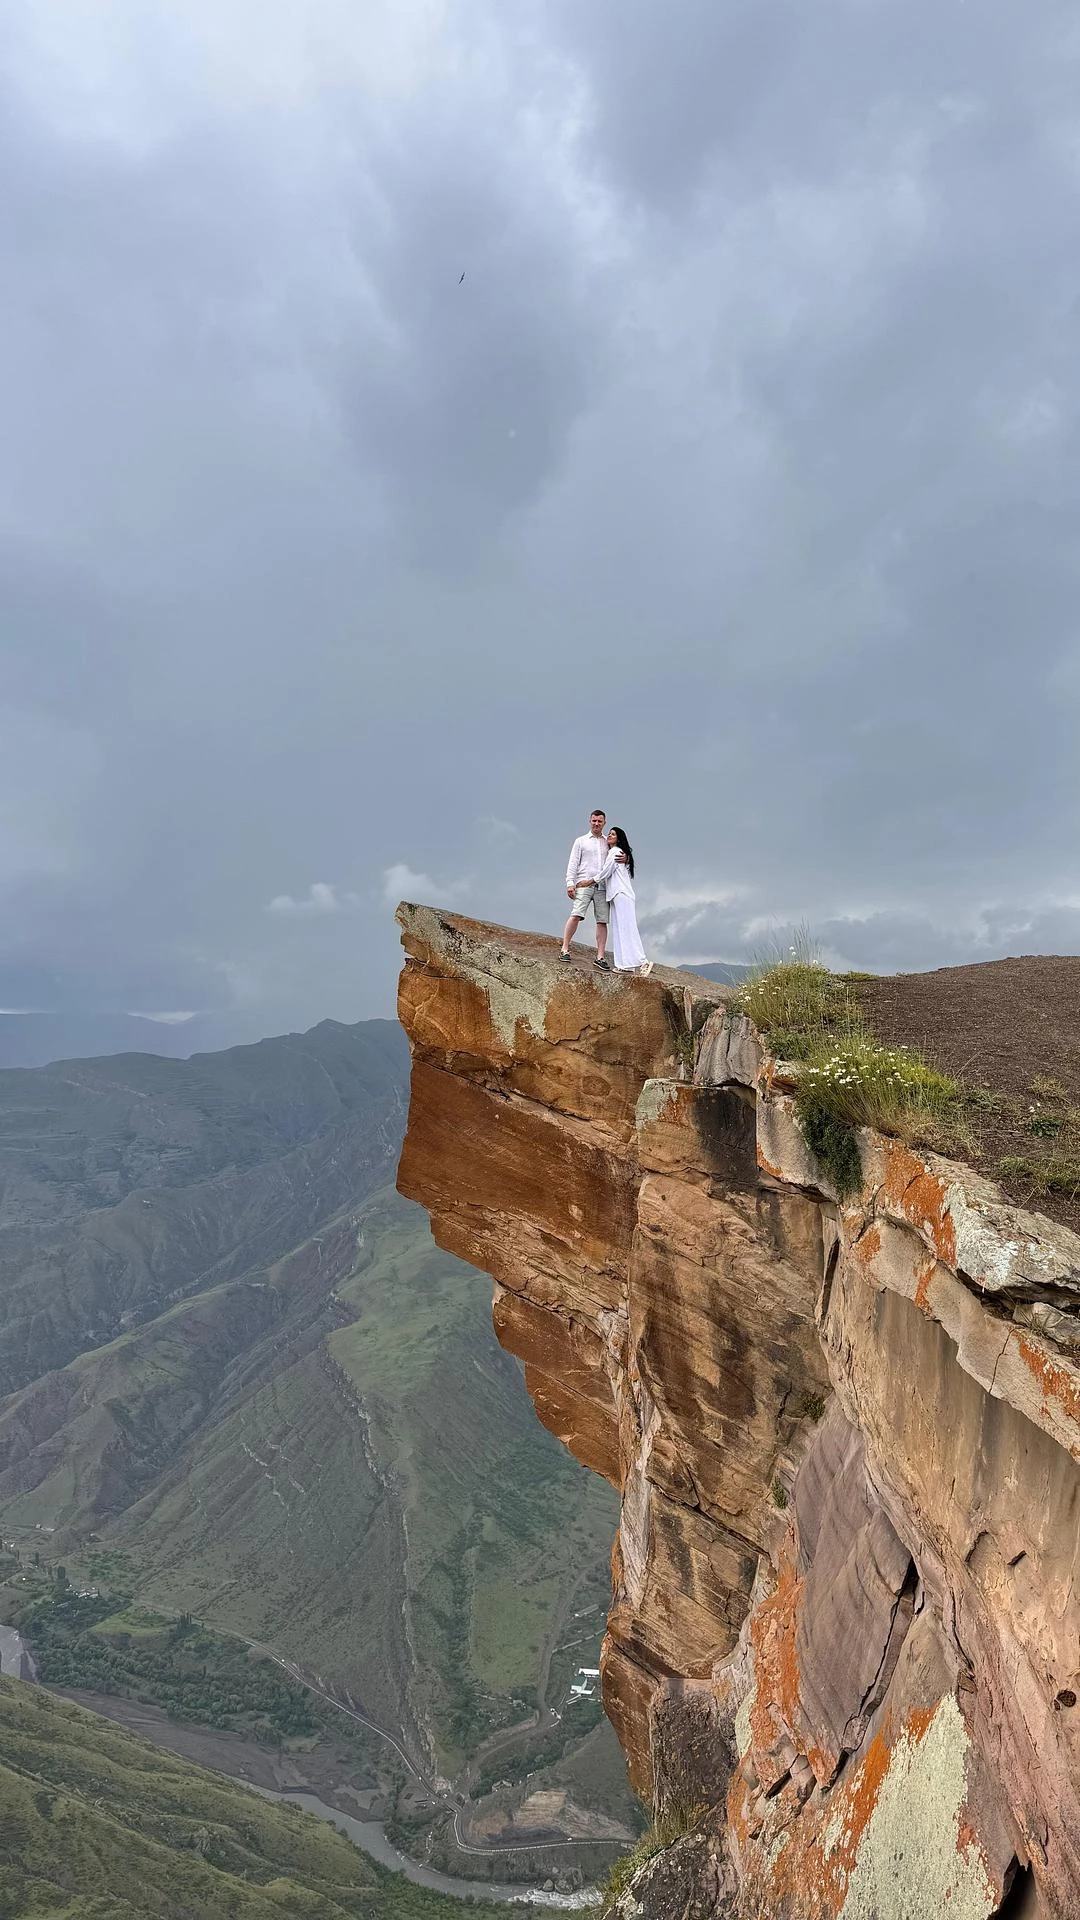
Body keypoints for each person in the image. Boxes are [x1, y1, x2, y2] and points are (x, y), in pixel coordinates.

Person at [598, 828, 652, 975]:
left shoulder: (616, 852)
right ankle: (625, 965)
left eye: (613, 834)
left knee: (627, 928)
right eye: (609, 833)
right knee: (620, 929)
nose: (609, 835)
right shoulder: (616, 852)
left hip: (622, 894)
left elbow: (606, 872)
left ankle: (643, 962)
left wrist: (590, 881)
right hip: (616, 894)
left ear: (619, 838)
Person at [561, 809, 611, 969]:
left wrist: (626, 858)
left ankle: (600, 956)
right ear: (590, 821)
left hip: (602, 886)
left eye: (600, 821)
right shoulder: (581, 841)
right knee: (576, 914)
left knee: (602, 921)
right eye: (594, 821)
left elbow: (618, 856)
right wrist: (570, 883)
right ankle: (564, 948)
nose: (597, 824)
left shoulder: (608, 842)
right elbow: (573, 863)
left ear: (604, 823)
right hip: (583, 883)